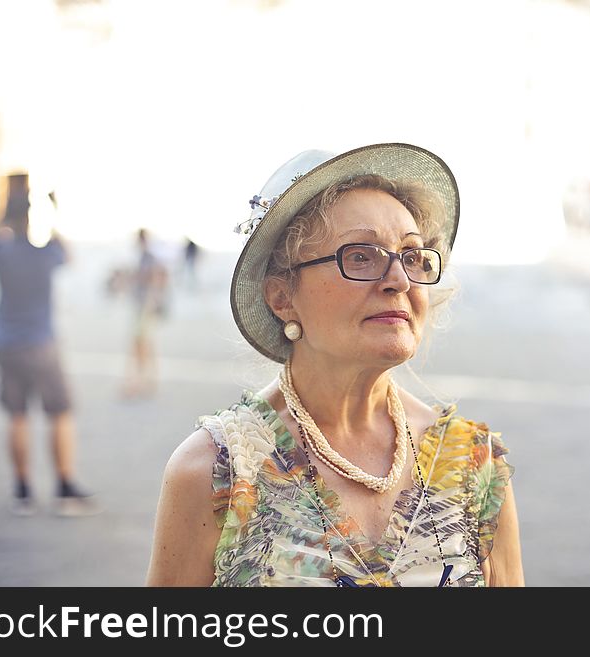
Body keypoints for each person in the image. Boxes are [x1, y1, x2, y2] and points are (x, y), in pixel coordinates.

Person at [146, 144, 524, 587]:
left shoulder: (472, 463)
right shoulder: (218, 472)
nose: (400, 280)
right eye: (361, 256)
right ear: (282, 297)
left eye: (412, 256)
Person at [0, 173, 99, 517]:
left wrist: (7, 203)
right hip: (42, 344)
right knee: (59, 413)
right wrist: (53, 212)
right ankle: (64, 486)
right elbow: (67, 254)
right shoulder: (45, 255)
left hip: (6, 342)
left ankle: (22, 491)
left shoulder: (3, 252)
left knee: (17, 415)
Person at [121, 228, 169, 398]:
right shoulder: (146, 258)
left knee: (140, 345)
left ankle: (139, 381)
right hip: (143, 306)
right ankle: (148, 380)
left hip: (145, 307)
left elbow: (156, 279)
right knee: (144, 344)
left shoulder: (148, 258)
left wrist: (151, 302)